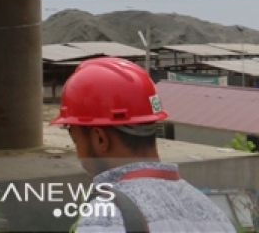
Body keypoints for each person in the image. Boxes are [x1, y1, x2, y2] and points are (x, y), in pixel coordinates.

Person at [53, 57, 235, 232]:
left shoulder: (106, 217)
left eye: (74, 137)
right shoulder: (212, 212)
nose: (77, 151)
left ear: (100, 139)